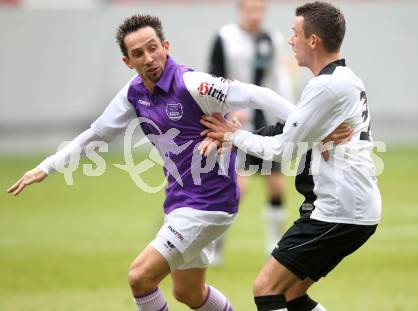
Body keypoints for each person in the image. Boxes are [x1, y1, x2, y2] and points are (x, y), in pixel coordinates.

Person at [6, 14, 349, 311]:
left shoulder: (194, 83)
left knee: (140, 277)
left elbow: (256, 94)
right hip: (180, 202)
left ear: (166, 46)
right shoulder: (133, 93)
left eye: (153, 47)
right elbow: (97, 133)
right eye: (138, 53)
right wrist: (47, 166)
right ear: (128, 62)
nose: (149, 57)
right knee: (189, 293)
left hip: (210, 201)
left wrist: (311, 126)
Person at [201, 2, 382, 310]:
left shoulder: (326, 86)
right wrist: (236, 138)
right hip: (348, 208)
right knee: (291, 294)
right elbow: (291, 129)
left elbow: (283, 149)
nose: (289, 40)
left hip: (337, 211)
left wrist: (233, 137)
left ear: (313, 41)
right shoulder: (344, 79)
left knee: (266, 288)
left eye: (295, 32)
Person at [208, 0, 293, 259]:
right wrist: (227, 110)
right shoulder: (225, 38)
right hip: (233, 123)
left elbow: (276, 79)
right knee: (237, 189)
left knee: (277, 185)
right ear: (240, 10)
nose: (255, 15)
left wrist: (291, 113)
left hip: (263, 123)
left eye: (260, 10)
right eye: (250, 10)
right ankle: (215, 245)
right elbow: (213, 79)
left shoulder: (271, 39)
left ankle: (274, 244)